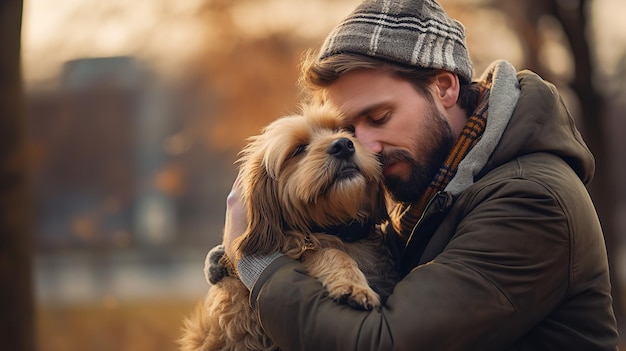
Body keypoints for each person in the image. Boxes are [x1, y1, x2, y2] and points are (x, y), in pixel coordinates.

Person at [217, 0, 619, 349]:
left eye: (379, 117)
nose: (366, 147)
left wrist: (258, 266)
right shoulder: (434, 190)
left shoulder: (531, 202)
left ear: (444, 87)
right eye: (353, 131)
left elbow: (384, 342)